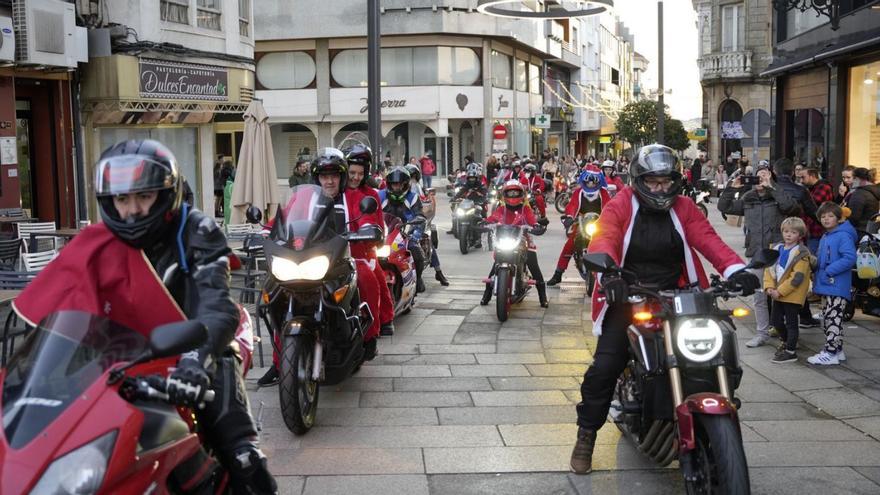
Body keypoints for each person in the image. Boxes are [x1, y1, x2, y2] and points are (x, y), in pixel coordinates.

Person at [91, 140, 277, 492]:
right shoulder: (97, 243)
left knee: (243, 457)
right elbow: (65, 304)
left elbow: (217, 303)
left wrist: (195, 360)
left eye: (143, 197)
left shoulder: (195, 230)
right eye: (122, 199)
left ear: (165, 195)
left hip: (200, 348)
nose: (132, 210)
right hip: (123, 359)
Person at [569, 144, 757, 475]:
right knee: (605, 367)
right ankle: (586, 434)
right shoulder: (622, 203)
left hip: (680, 293)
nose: (660, 189)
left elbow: (709, 239)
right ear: (639, 180)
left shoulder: (684, 207)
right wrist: (609, 272)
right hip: (628, 293)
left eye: (666, 182)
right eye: (653, 182)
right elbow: (606, 236)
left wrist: (736, 270)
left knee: (718, 348)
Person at [258, 150, 386, 388]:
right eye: (323, 176)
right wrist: (265, 231)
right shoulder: (303, 198)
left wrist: (368, 229)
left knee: (367, 275)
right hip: (305, 260)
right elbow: (281, 221)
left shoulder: (355, 198)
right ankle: (279, 364)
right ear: (316, 179)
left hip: (342, 259)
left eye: (334, 176)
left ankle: (370, 337)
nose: (329, 181)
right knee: (278, 294)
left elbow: (366, 220)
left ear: (342, 177)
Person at [718, 160, 799, 347]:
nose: (760, 179)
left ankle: (785, 332)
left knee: (782, 295)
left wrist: (772, 187)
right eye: (758, 176)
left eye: (765, 175)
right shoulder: (749, 197)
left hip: (778, 251)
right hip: (756, 253)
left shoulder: (777, 195)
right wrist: (732, 187)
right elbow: (725, 207)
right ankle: (762, 333)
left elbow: (791, 208)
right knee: (759, 296)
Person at [346, 144, 396, 337]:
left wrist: (371, 235)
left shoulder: (370, 194)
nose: (355, 177)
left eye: (360, 173)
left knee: (376, 282)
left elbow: (375, 220)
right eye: (352, 172)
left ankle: (382, 321)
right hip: (334, 250)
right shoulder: (334, 192)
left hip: (364, 250)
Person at [480, 180, 548, 308]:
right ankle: (487, 294)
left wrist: (536, 225)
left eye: (515, 193)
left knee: (533, 265)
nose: (512, 196)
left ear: (521, 194)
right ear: (504, 195)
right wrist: (483, 222)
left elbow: (532, 220)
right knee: (495, 267)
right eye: (510, 193)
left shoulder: (526, 209)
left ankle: (542, 297)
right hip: (505, 240)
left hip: (523, 240)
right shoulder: (501, 209)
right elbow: (492, 218)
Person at [380, 167, 448, 293]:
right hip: (385, 232)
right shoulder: (381, 195)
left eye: (400, 184)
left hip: (406, 232)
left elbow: (420, 216)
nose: (397, 187)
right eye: (394, 184)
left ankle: (418, 278)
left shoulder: (413, 197)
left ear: (406, 184)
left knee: (416, 252)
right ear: (389, 184)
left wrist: (414, 235)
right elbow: (371, 213)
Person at [807, 202, 857, 366]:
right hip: (828, 284)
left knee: (833, 319)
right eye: (823, 216)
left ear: (838, 218)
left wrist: (829, 270)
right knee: (830, 317)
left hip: (836, 284)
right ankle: (838, 350)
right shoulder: (828, 235)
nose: (826, 219)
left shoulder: (842, 235)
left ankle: (830, 353)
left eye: (830, 216)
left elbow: (849, 258)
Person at [547, 167, 610, 287]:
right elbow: (572, 205)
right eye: (588, 182)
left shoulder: (603, 193)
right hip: (581, 221)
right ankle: (558, 273)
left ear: (598, 182)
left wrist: (611, 219)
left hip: (599, 223)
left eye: (593, 182)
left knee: (610, 243)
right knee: (570, 244)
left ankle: (611, 273)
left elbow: (608, 207)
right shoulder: (578, 192)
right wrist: (569, 216)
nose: (591, 184)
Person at [764, 217, 814, 363]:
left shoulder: (802, 254)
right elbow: (769, 270)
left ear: (800, 235)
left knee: (792, 323)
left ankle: (790, 351)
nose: (788, 235)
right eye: (786, 231)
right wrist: (769, 287)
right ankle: (787, 342)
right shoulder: (777, 249)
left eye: (793, 232)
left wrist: (780, 291)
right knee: (776, 321)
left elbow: (796, 278)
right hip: (776, 293)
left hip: (791, 294)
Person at [844, 167, 880, 233]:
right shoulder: (872, 191)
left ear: (857, 179)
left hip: (857, 231)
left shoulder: (859, 194)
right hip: (868, 230)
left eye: (853, 178)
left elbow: (853, 217)